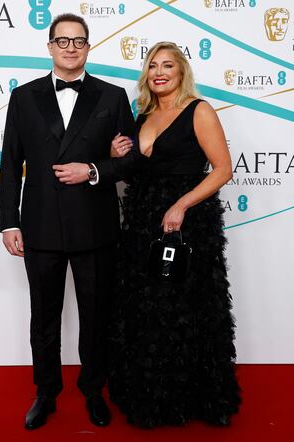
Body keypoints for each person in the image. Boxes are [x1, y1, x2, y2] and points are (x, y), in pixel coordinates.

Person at [0, 13, 136, 430]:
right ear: (51, 47)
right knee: (44, 316)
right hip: (39, 227)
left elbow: (130, 161)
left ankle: (95, 391)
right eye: (63, 41)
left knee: (96, 316)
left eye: (79, 41)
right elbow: (11, 165)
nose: (71, 48)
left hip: (95, 227)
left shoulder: (113, 97)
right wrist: (9, 222)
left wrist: (94, 169)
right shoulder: (23, 98)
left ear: (88, 47)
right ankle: (46, 392)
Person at [108, 41, 241, 428]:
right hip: (142, 218)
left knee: (183, 307)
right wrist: (119, 158)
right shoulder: (142, 115)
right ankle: (151, 396)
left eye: (168, 65)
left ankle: (194, 396)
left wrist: (182, 205)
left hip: (187, 222)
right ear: (146, 75)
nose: (160, 72)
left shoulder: (199, 111)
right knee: (148, 307)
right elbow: (138, 171)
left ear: (182, 72)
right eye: (153, 66)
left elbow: (222, 169)